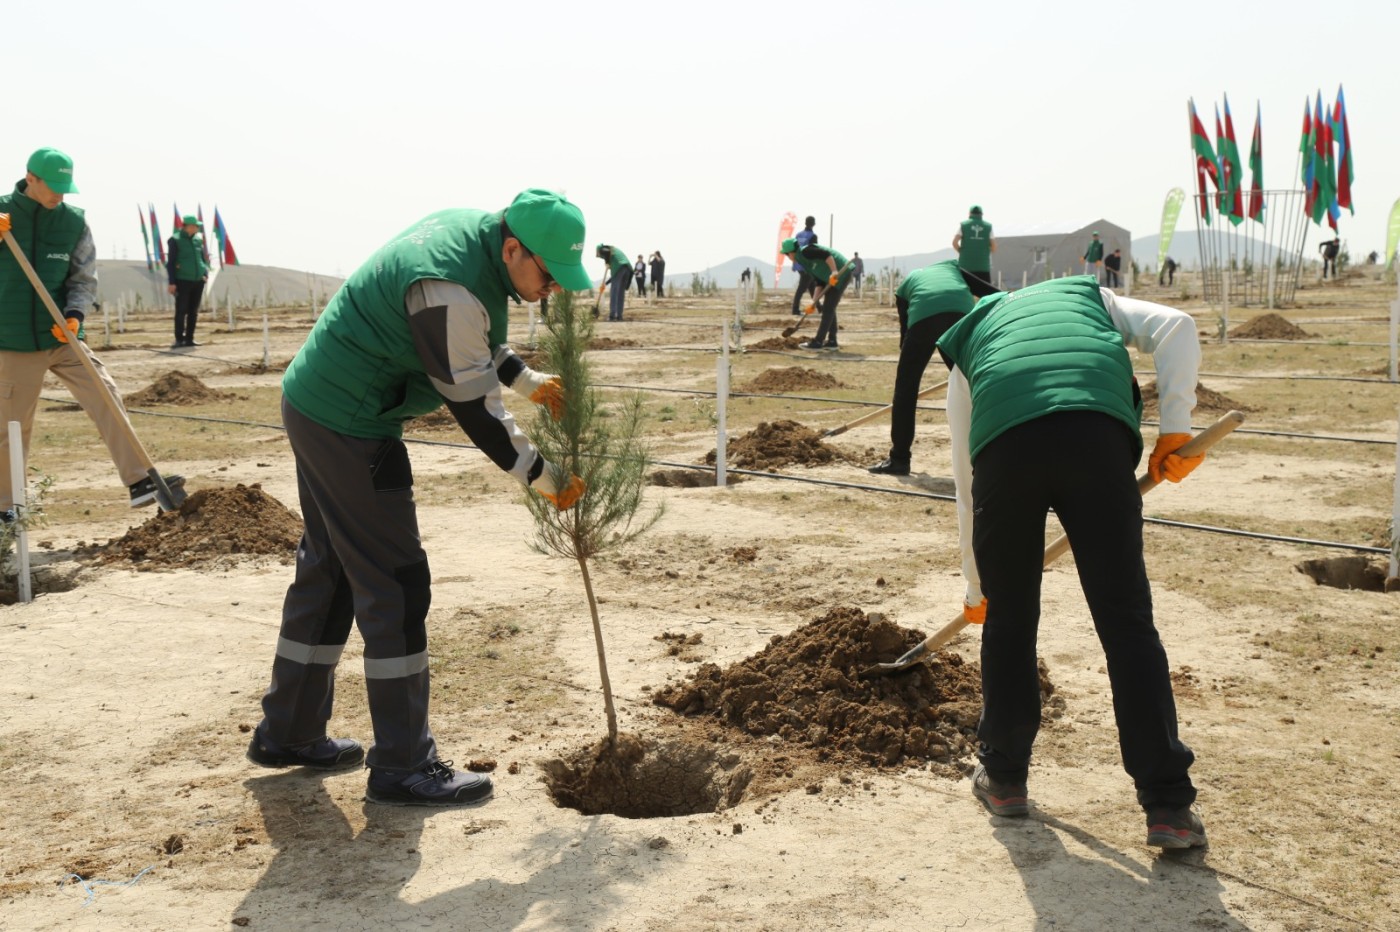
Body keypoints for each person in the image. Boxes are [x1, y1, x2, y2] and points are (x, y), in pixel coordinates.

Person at [245, 188, 591, 807]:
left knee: (332, 571)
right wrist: (546, 479)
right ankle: (404, 764)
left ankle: (288, 732)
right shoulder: (452, 288)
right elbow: (477, 412)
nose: (555, 289)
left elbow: (466, 333)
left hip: (317, 402)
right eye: (549, 274)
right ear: (513, 248)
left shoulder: (470, 236)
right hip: (350, 424)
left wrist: (527, 379)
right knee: (396, 582)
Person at [936, 274, 1207, 850]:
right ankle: (1168, 809)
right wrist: (1176, 427)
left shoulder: (971, 342)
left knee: (1008, 620)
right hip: (1096, 439)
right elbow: (1177, 327)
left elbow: (965, 482)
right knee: (1127, 622)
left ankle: (1005, 779)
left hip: (1004, 455)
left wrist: (975, 584)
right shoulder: (1090, 296)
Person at [0, 147, 183, 519]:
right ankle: (7, 506)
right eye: (52, 186)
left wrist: (74, 316)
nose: (59, 195)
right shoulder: (2, 213)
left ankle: (138, 481)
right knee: (13, 428)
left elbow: (83, 278)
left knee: (105, 391)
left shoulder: (73, 222)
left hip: (61, 335)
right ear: (29, 178)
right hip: (12, 339)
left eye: (64, 187)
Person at [868, 261, 997, 475]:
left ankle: (899, 459)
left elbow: (905, 330)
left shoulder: (904, 287)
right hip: (961, 320)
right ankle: (990, 457)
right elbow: (989, 292)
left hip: (923, 321)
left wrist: (911, 356)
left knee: (905, 391)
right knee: (977, 387)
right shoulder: (953, 267)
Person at [778, 236, 851, 350]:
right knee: (829, 307)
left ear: (791, 252)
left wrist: (834, 271)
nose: (787, 257)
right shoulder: (803, 261)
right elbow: (819, 282)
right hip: (829, 278)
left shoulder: (806, 251)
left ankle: (818, 342)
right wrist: (813, 303)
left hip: (842, 273)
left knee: (828, 308)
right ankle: (832, 341)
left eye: (787, 254)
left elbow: (827, 255)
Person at [167, 214, 210, 348]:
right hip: (182, 280)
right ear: (188, 226)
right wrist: (172, 282)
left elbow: (202, 259)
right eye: (196, 226)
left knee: (193, 311)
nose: (197, 228)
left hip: (198, 281)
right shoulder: (175, 240)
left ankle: (190, 338)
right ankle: (179, 339)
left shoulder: (198, 240)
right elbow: (171, 262)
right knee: (181, 310)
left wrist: (205, 273)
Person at [952, 205, 996, 292]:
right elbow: (994, 246)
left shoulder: (964, 225)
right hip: (982, 266)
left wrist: (962, 251)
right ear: (981, 214)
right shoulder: (988, 227)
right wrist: (985, 252)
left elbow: (954, 242)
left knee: (965, 292)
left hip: (965, 266)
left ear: (970, 214)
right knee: (985, 293)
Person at [790, 215, 819, 316]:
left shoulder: (798, 235)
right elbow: (815, 252)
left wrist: (793, 263)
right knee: (802, 288)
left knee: (811, 286)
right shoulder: (813, 236)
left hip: (799, 264)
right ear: (814, 224)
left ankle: (820, 307)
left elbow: (794, 250)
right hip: (807, 266)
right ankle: (795, 309)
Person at [596, 244, 632, 320]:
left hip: (620, 268)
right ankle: (619, 316)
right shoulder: (615, 256)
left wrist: (606, 262)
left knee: (614, 292)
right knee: (620, 293)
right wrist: (605, 283)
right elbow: (615, 277)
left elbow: (607, 252)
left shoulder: (604, 249)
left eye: (599, 256)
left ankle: (612, 316)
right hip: (627, 269)